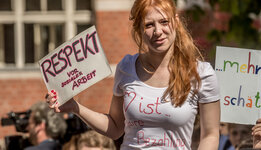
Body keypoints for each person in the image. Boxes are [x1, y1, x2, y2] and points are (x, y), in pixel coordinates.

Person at [46, 0, 221, 149]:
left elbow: (211, 135)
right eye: (149, 25)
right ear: (139, 29)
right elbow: (115, 127)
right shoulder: (126, 67)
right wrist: (75, 107)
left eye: (164, 22)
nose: (158, 31)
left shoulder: (202, 73)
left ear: (175, 21)